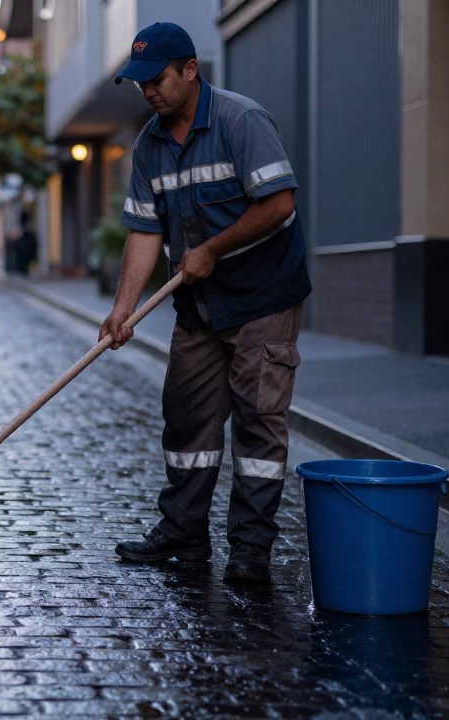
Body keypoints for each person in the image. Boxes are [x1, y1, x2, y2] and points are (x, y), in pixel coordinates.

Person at [100, 22, 311, 585]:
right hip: (199, 305)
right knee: (187, 418)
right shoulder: (149, 143)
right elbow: (145, 231)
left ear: (190, 70)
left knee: (258, 426)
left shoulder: (243, 121)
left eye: (157, 79)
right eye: (139, 83)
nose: (148, 92)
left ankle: (250, 548)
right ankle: (183, 534)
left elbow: (280, 204)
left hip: (263, 296)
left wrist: (212, 249)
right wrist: (122, 309)